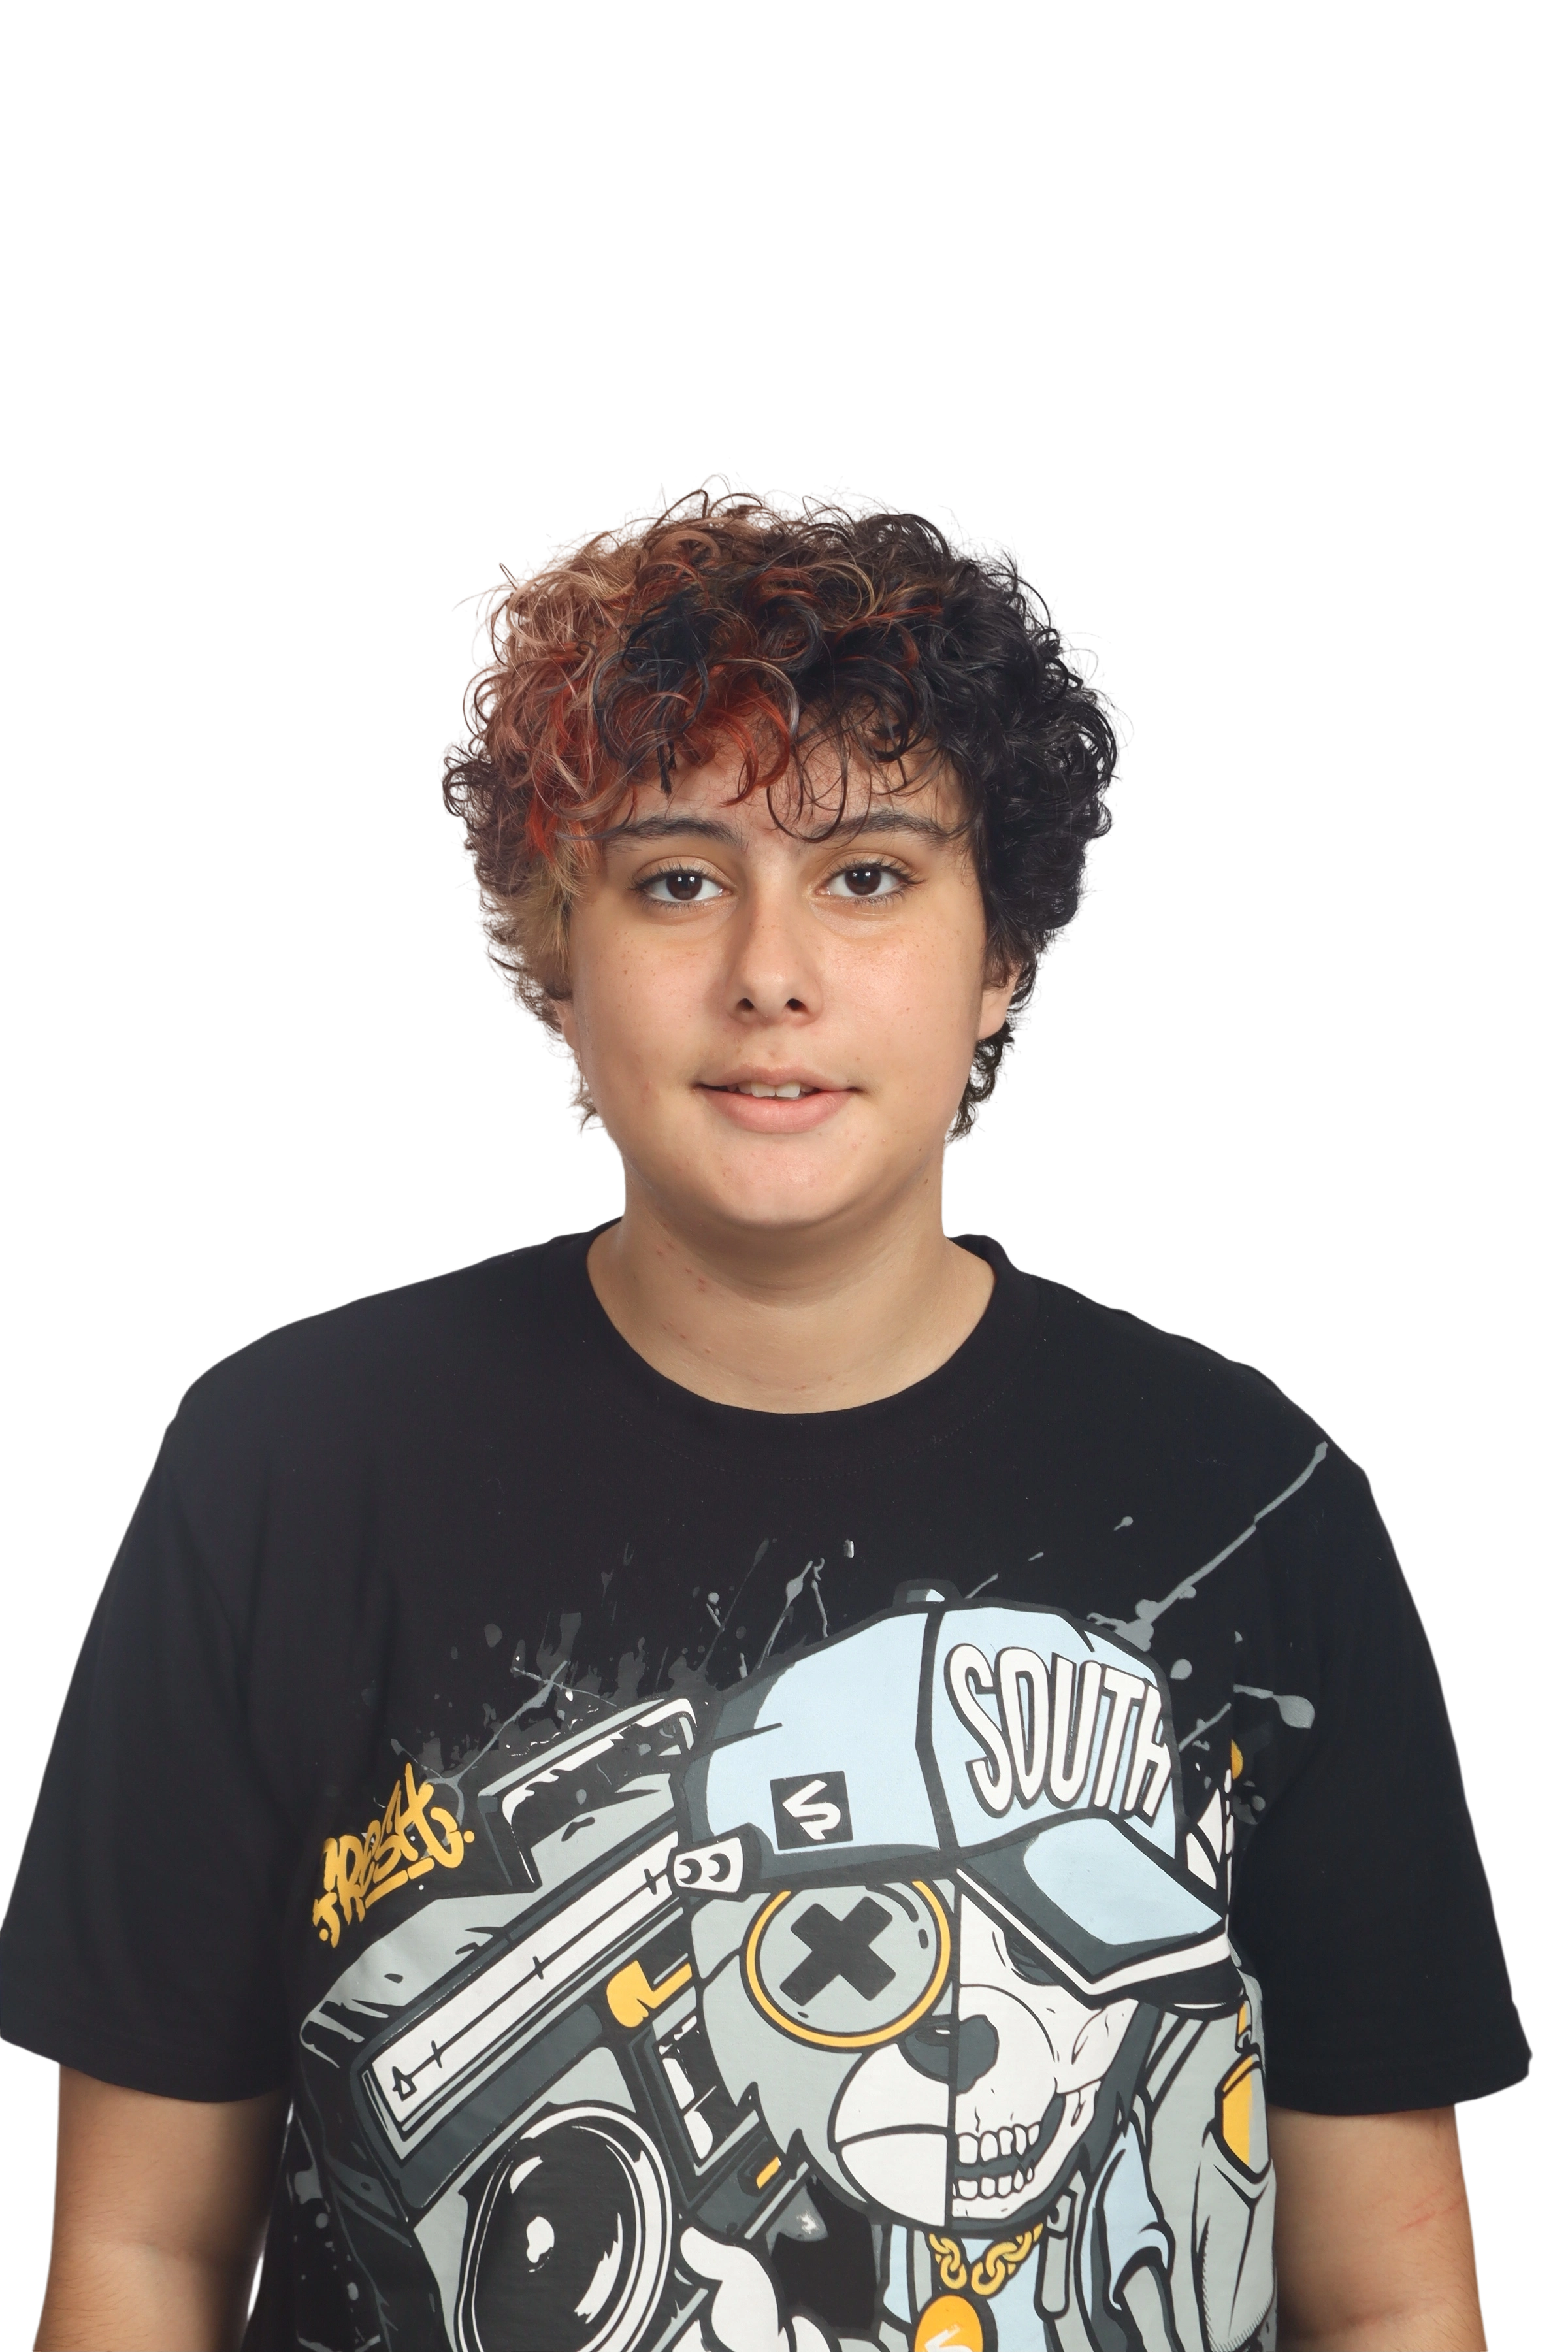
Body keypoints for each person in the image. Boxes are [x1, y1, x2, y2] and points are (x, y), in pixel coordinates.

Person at [3, 472, 1531, 2352]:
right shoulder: (285, 1469)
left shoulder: (1255, 1495)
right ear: (558, 952)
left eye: (867, 874)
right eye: (676, 879)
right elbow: (145, 2258)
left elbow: (1385, 2299)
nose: (770, 976)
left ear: (1002, 952)